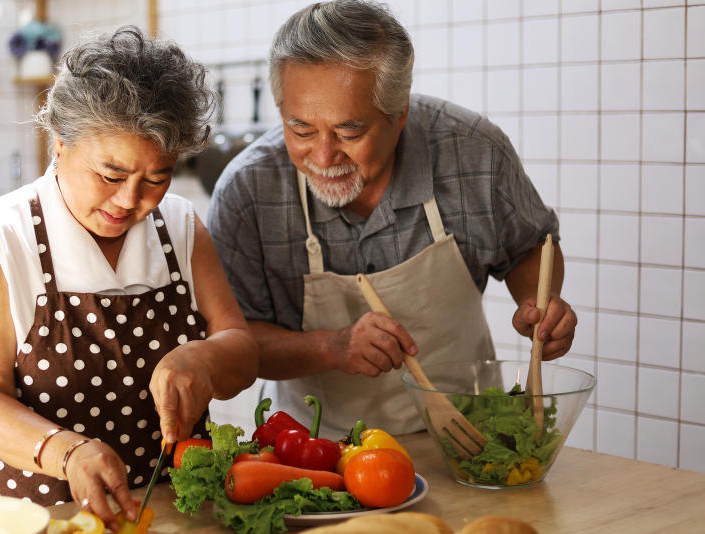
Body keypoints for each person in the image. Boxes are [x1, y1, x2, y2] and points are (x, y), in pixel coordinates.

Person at [207, 0, 577, 438]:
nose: (323, 157)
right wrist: (332, 347)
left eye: (349, 131)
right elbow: (235, 343)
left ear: (399, 114)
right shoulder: (248, 191)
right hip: (318, 451)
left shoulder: (471, 151)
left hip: (468, 438)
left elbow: (529, 247)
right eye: (301, 129)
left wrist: (540, 304)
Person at [0, 26, 258, 531]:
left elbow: (242, 351)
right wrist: (66, 452)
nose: (132, 199)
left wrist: (205, 356)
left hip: (163, 516)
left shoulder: (179, 226)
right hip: (28, 518)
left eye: (157, 177)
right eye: (111, 175)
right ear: (59, 143)